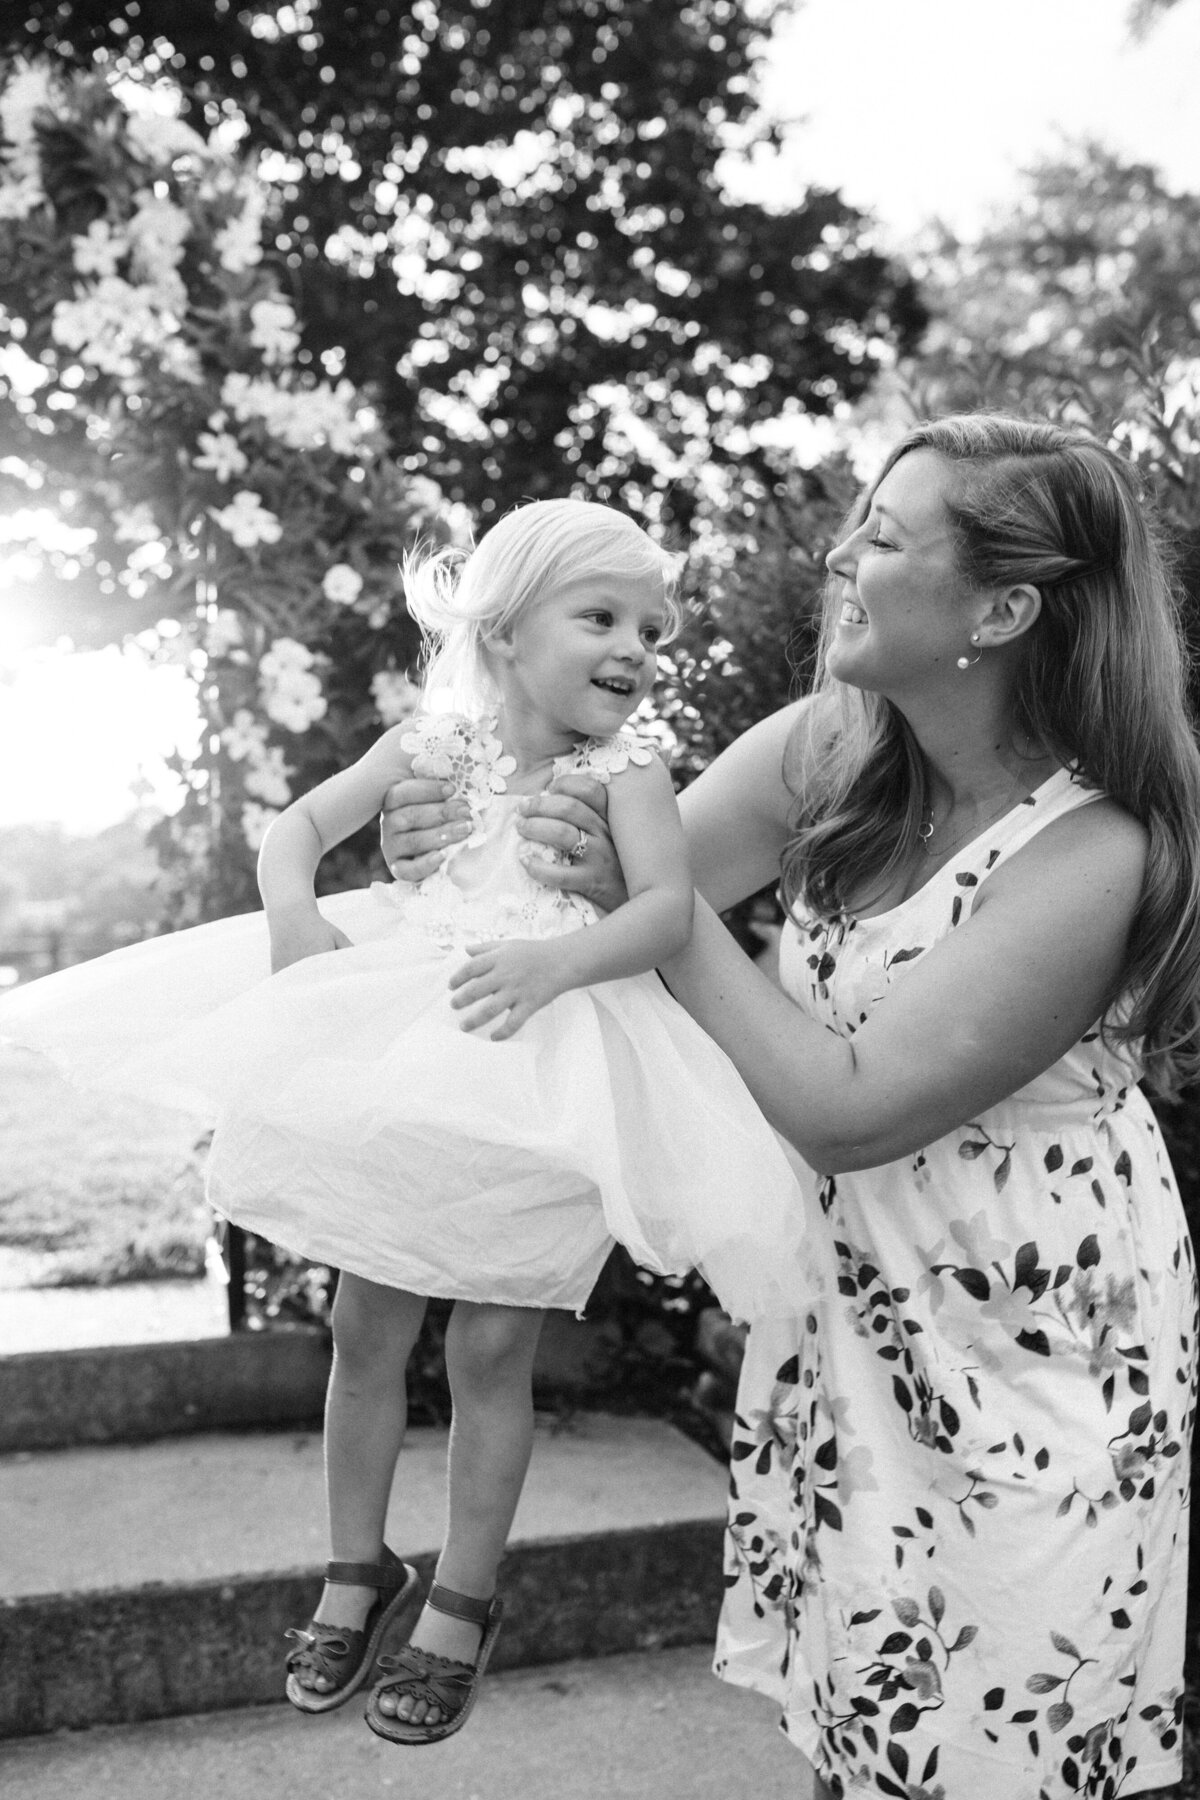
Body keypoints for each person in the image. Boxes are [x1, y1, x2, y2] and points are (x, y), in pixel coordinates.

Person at [381, 415, 1200, 1798]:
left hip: (1036, 1352)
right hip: (840, 1328)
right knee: (858, 1734)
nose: (841, 552)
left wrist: (651, 911)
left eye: (884, 536)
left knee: (1016, 1753)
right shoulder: (834, 744)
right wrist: (452, 825)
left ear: (1001, 610)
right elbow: (576, 882)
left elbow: (847, 1103)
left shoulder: (1094, 847)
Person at [0, 498, 811, 1747]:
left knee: (495, 1350)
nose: (638, 648)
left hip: (544, 1062)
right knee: (362, 1320)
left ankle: (466, 1598)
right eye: (601, 617)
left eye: (654, 627)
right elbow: (298, 829)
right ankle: (351, 1566)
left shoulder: (629, 770)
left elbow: (666, 911)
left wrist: (561, 964)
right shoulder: (436, 739)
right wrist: (290, 909)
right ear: (499, 632)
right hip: (411, 1045)